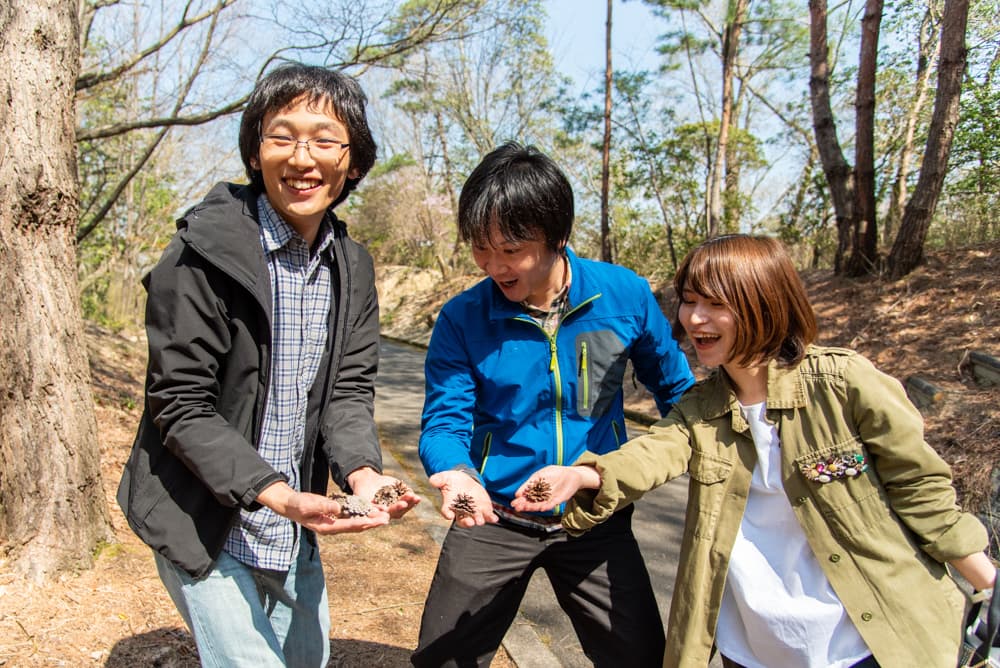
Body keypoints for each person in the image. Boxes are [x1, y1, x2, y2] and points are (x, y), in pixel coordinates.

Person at [512, 234, 997, 668]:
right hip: (754, 648)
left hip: (863, 641)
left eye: (713, 304)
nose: (693, 318)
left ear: (763, 303)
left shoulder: (845, 383)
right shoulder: (701, 407)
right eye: (688, 301)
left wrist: (988, 587)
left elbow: (922, 492)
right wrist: (582, 476)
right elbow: (655, 451)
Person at [116, 63, 420, 668]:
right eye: (282, 136)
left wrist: (362, 475)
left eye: (325, 139)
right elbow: (180, 405)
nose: (302, 157)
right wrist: (275, 494)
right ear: (256, 153)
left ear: (353, 163)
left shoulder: (352, 267)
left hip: (291, 522)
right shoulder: (201, 254)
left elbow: (348, 393)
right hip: (203, 512)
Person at [411, 142, 696, 667]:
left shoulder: (624, 296)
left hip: (593, 514)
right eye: (479, 247)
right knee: (441, 660)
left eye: (511, 249)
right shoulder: (462, 318)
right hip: (493, 516)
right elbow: (445, 419)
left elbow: (679, 395)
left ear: (558, 236)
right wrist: (455, 472)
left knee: (641, 658)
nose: (493, 265)